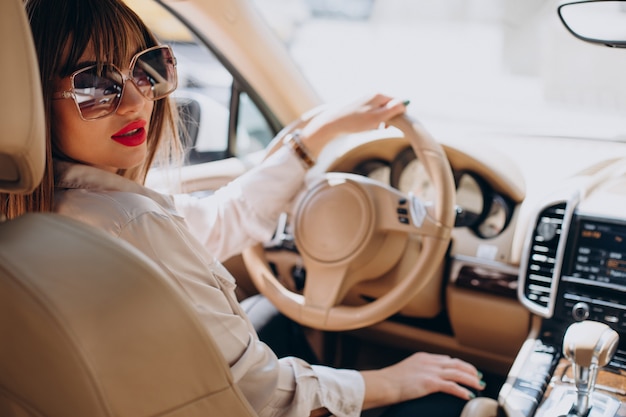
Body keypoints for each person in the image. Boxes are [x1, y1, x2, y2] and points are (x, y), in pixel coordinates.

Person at [3, 0, 485, 415]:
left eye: (146, 69)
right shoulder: (134, 223)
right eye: (94, 85)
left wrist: (314, 137)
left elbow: (218, 222)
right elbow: (260, 397)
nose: (135, 101)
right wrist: (393, 380)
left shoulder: (42, 223)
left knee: (277, 318)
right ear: (35, 101)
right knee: (450, 400)